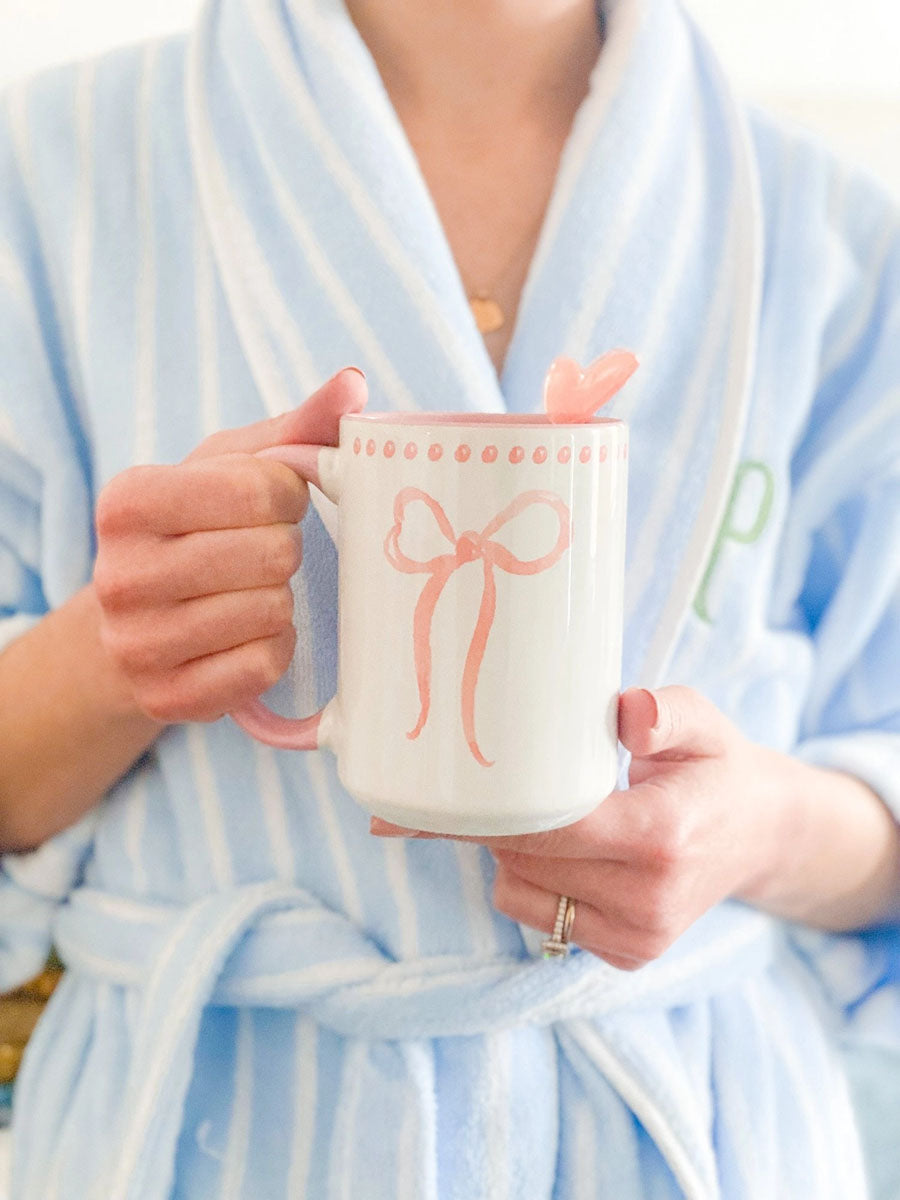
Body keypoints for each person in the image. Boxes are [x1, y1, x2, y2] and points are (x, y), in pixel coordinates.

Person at [0, 0, 898, 1195]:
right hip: (216, 1128)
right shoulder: (54, 165)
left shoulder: (831, 233)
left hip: (705, 1131)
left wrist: (761, 831)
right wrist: (118, 652)